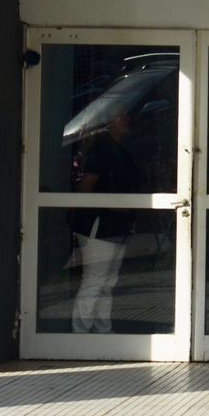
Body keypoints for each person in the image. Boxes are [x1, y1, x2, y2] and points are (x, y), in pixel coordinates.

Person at [70, 106, 143, 333]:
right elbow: (86, 188)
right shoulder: (102, 151)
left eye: (126, 114)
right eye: (120, 115)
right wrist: (109, 205)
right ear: (108, 122)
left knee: (107, 283)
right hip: (100, 226)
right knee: (95, 280)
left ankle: (102, 331)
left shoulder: (116, 149)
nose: (126, 118)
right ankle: (80, 334)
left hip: (117, 226)